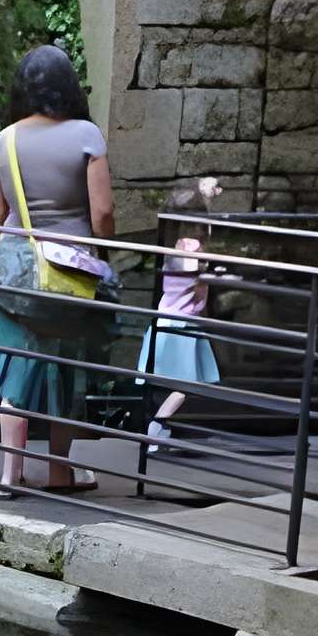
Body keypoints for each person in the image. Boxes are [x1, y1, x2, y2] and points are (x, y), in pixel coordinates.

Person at [0, 45, 118, 496]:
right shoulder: (87, 136)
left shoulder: (5, 140)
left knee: (18, 372)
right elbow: (103, 213)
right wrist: (101, 254)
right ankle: (59, 472)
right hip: (69, 279)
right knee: (67, 372)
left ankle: (8, 475)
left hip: (15, 276)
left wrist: (4, 253)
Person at [141, 175, 225, 451]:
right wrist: (208, 271)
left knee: (177, 383)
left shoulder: (177, 244)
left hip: (174, 318)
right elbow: (192, 272)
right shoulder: (190, 248)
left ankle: (159, 431)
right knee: (183, 385)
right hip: (181, 323)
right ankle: (157, 428)